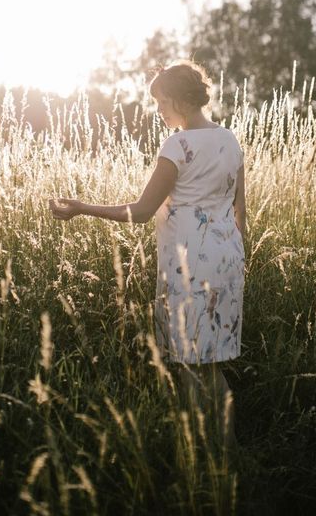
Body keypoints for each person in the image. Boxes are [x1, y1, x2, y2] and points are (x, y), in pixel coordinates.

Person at [49, 60, 247, 457]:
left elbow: (140, 212)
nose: (158, 110)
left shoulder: (177, 145)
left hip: (190, 265)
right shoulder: (230, 140)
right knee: (212, 365)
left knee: (191, 366)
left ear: (177, 99)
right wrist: (242, 261)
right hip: (228, 260)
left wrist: (83, 208)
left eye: (160, 101)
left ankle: (201, 460)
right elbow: (242, 210)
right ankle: (231, 453)